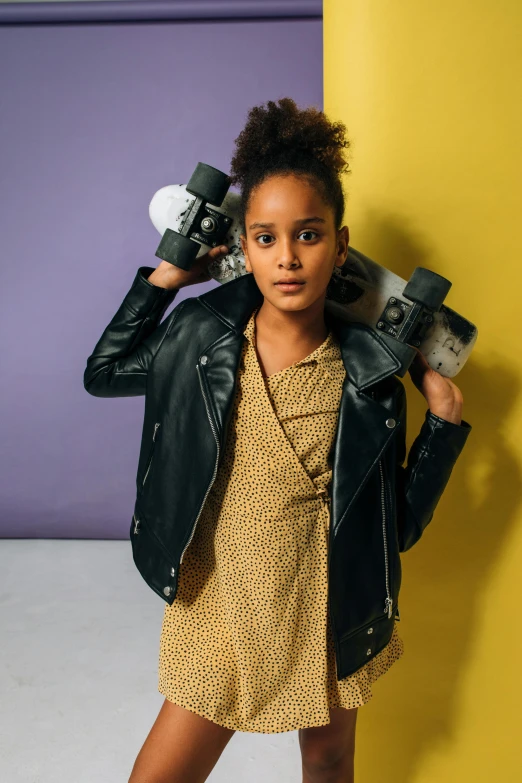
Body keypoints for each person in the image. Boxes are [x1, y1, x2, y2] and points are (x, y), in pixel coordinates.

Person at [84, 97, 472, 783]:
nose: (287, 258)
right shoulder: (201, 337)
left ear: (341, 245)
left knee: (327, 758)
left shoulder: (368, 378)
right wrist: (170, 275)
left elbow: (396, 526)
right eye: (265, 237)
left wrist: (441, 420)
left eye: (308, 235)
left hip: (321, 601)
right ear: (243, 247)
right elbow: (106, 370)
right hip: (223, 599)